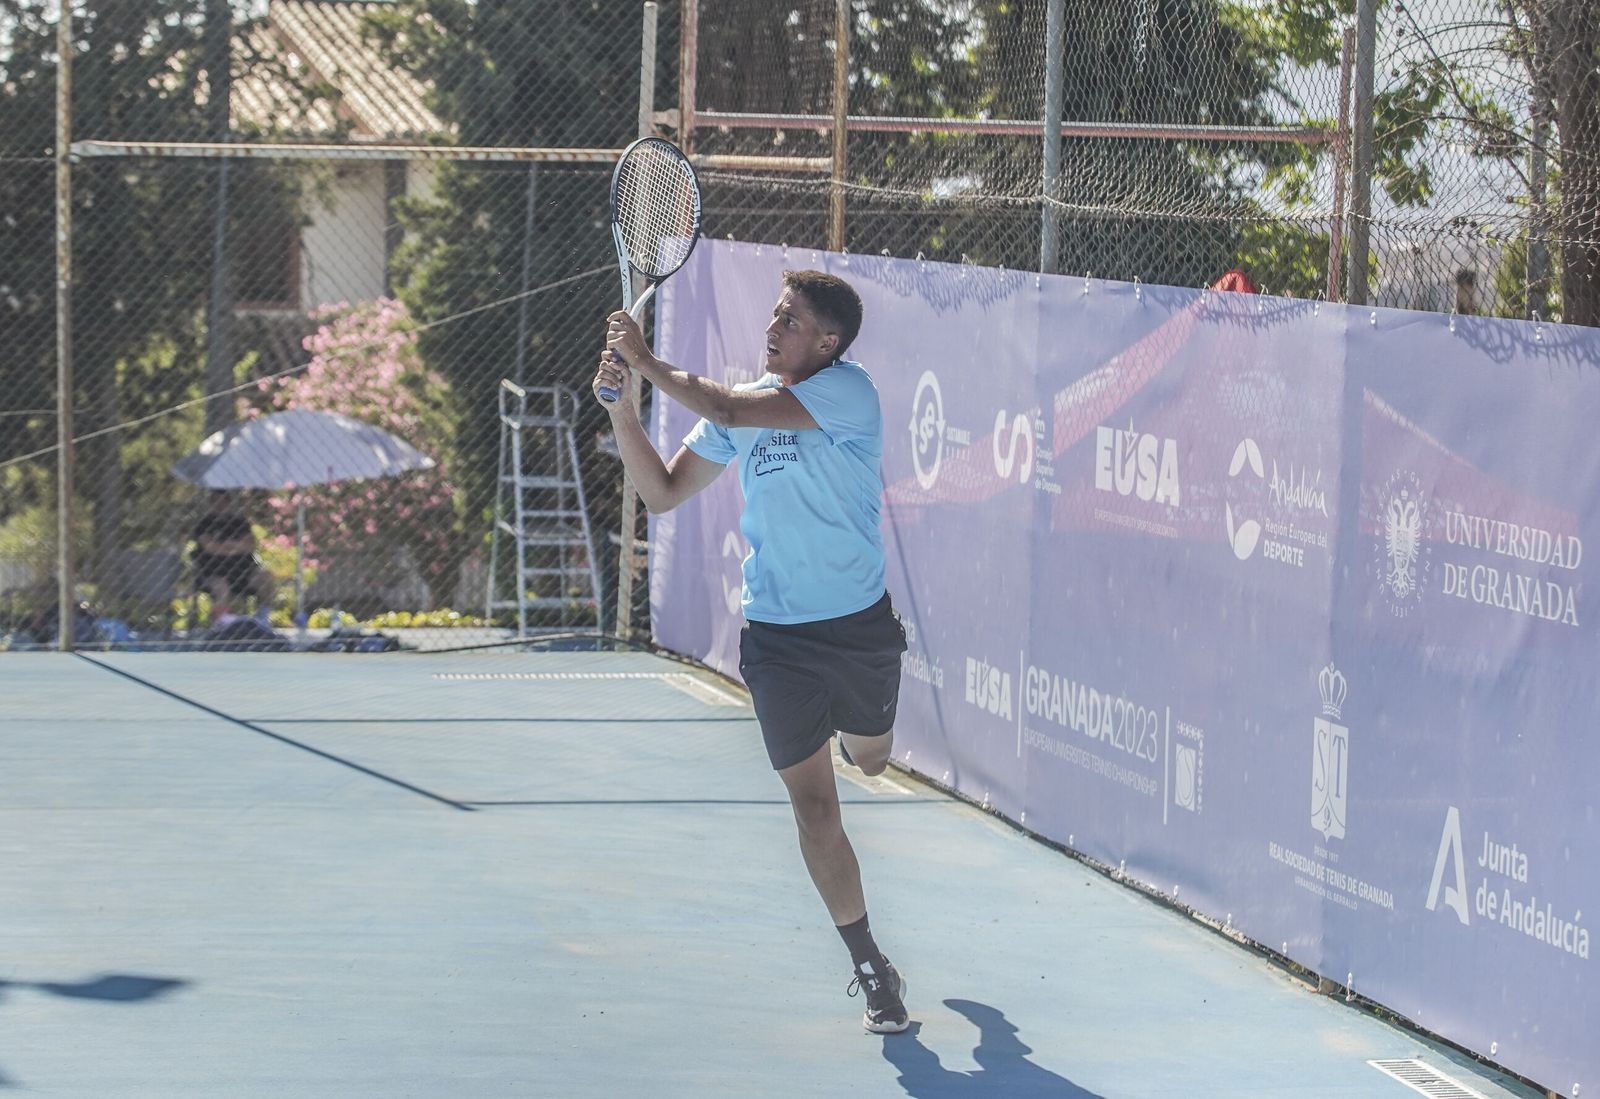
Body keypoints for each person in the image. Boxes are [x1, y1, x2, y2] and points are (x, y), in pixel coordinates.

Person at [595, 269, 911, 1034]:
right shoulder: (742, 407)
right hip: (776, 638)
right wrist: (623, 415)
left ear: (827, 344)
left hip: (859, 627)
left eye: (791, 320)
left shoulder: (849, 392)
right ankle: (870, 964)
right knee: (814, 805)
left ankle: (863, 743)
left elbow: (728, 405)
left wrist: (643, 359)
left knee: (870, 761)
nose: (774, 327)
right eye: (773, 313)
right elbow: (665, 491)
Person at [190, 492, 274, 626]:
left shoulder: (240, 523)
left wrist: (224, 546)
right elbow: (211, 547)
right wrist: (237, 546)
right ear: (211, 503)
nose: (220, 505)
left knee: (265, 576)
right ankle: (222, 623)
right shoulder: (204, 524)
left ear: (229, 503)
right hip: (213, 572)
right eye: (216, 501)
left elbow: (250, 545)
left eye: (223, 501)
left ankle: (262, 620)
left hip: (243, 572)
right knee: (221, 586)